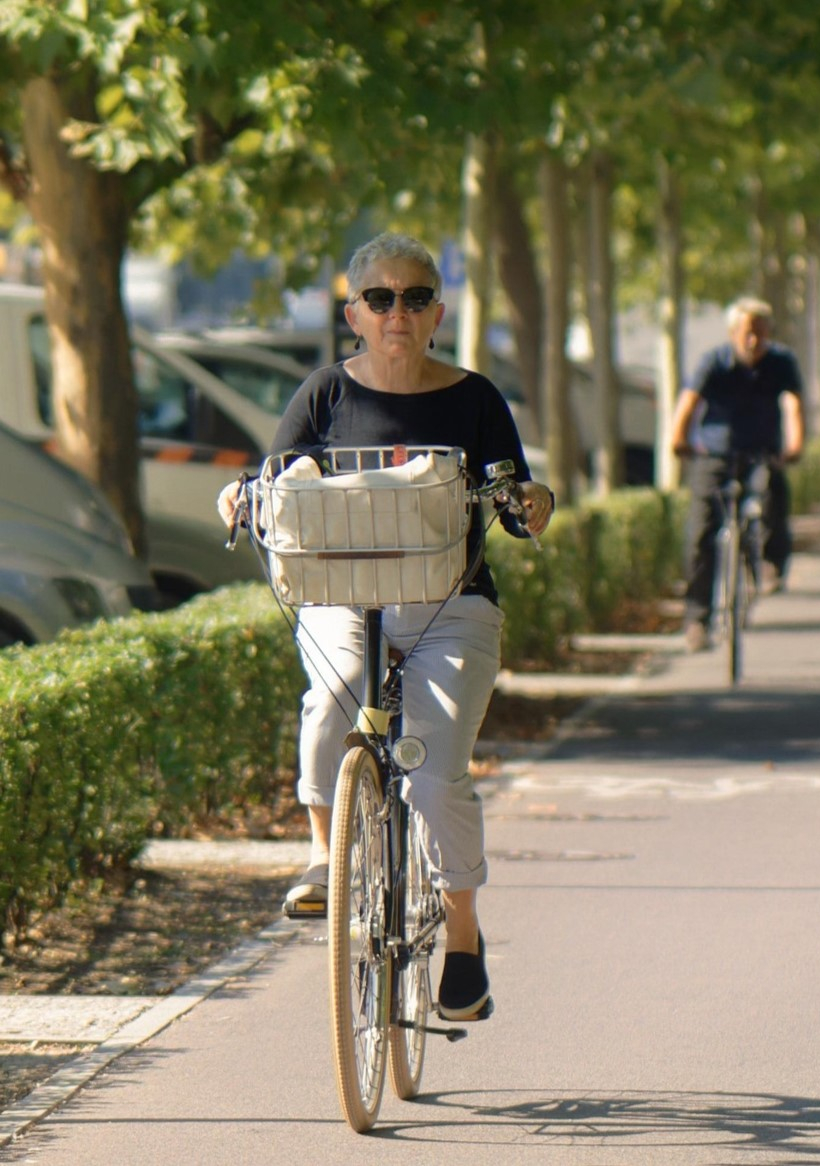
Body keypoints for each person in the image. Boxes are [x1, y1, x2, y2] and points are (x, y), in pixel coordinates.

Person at [217, 231, 553, 1021]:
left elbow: (514, 494)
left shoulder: (475, 399)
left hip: (449, 606)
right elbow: (268, 482)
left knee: (436, 773)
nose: (396, 312)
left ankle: (463, 936)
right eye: (379, 298)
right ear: (354, 314)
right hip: (340, 596)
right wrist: (237, 499)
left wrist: (533, 503)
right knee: (331, 705)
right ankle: (324, 858)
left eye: (413, 298)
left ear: (436, 312)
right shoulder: (323, 396)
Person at [670, 296, 804, 653]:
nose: (753, 341)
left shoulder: (781, 363)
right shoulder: (713, 362)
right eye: (747, 333)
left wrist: (794, 444)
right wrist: (678, 438)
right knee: (701, 531)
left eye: (760, 333)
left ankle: (773, 562)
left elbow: (792, 405)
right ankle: (697, 619)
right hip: (716, 454)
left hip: (761, 452)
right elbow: (689, 401)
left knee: (775, 491)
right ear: (733, 333)